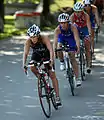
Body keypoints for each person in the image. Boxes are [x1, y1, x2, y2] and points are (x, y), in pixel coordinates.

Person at [23, 24, 61, 106]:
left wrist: (51, 60)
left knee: (52, 74)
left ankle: (57, 97)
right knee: (32, 67)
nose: (33, 39)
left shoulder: (44, 38)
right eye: (31, 37)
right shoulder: (28, 41)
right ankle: (41, 78)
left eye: (34, 37)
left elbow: (51, 50)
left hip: (46, 54)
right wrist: (24, 65)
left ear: (38, 35)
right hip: (36, 55)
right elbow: (25, 54)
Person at [53, 13, 82, 87]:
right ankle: (62, 61)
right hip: (62, 38)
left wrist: (77, 48)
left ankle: (77, 78)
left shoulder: (73, 27)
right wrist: (55, 51)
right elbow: (55, 42)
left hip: (71, 38)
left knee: (72, 57)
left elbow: (77, 39)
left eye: (65, 23)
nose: (63, 24)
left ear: (68, 22)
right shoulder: (58, 29)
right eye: (61, 23)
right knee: (59, 48)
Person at [70, 2, 92, 73]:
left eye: (79, 12)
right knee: (74, 40)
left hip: (84, 28)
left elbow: (89, 25)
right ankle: (77, 52)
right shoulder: (72, 16)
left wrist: (89, 34)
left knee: (87, 47)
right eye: (76, 12)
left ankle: (88, 65)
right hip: (76, 28)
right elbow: (70, 28)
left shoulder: (86, 15)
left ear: (82, 11)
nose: (77, 13)